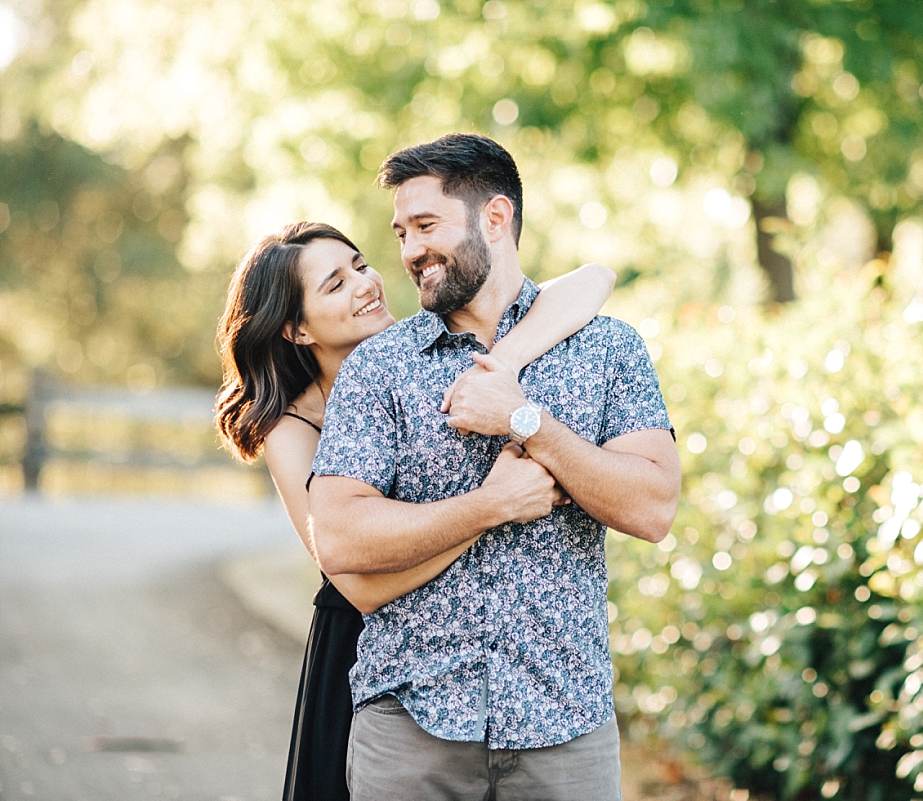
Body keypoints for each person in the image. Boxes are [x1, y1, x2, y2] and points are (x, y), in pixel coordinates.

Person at [307, 133, 681, 800]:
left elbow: (653, 506)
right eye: (400, 232)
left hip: (566, 728)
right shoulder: (379, 367)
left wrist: (527, 420)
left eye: (427, 225)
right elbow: (338, 535)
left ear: (496, 218)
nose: (410, 250)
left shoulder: (607, 348)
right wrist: (490, 504)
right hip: (410, 731)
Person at [214, 220, 616, 801]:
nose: (365, 283)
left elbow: (594, 279)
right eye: (335, 284)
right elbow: (360, 584)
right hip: (367, 643)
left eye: (359, 264)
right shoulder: (291, 425)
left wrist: (499, 365)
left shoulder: (428, 354)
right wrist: (494, 507)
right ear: (296, 329)